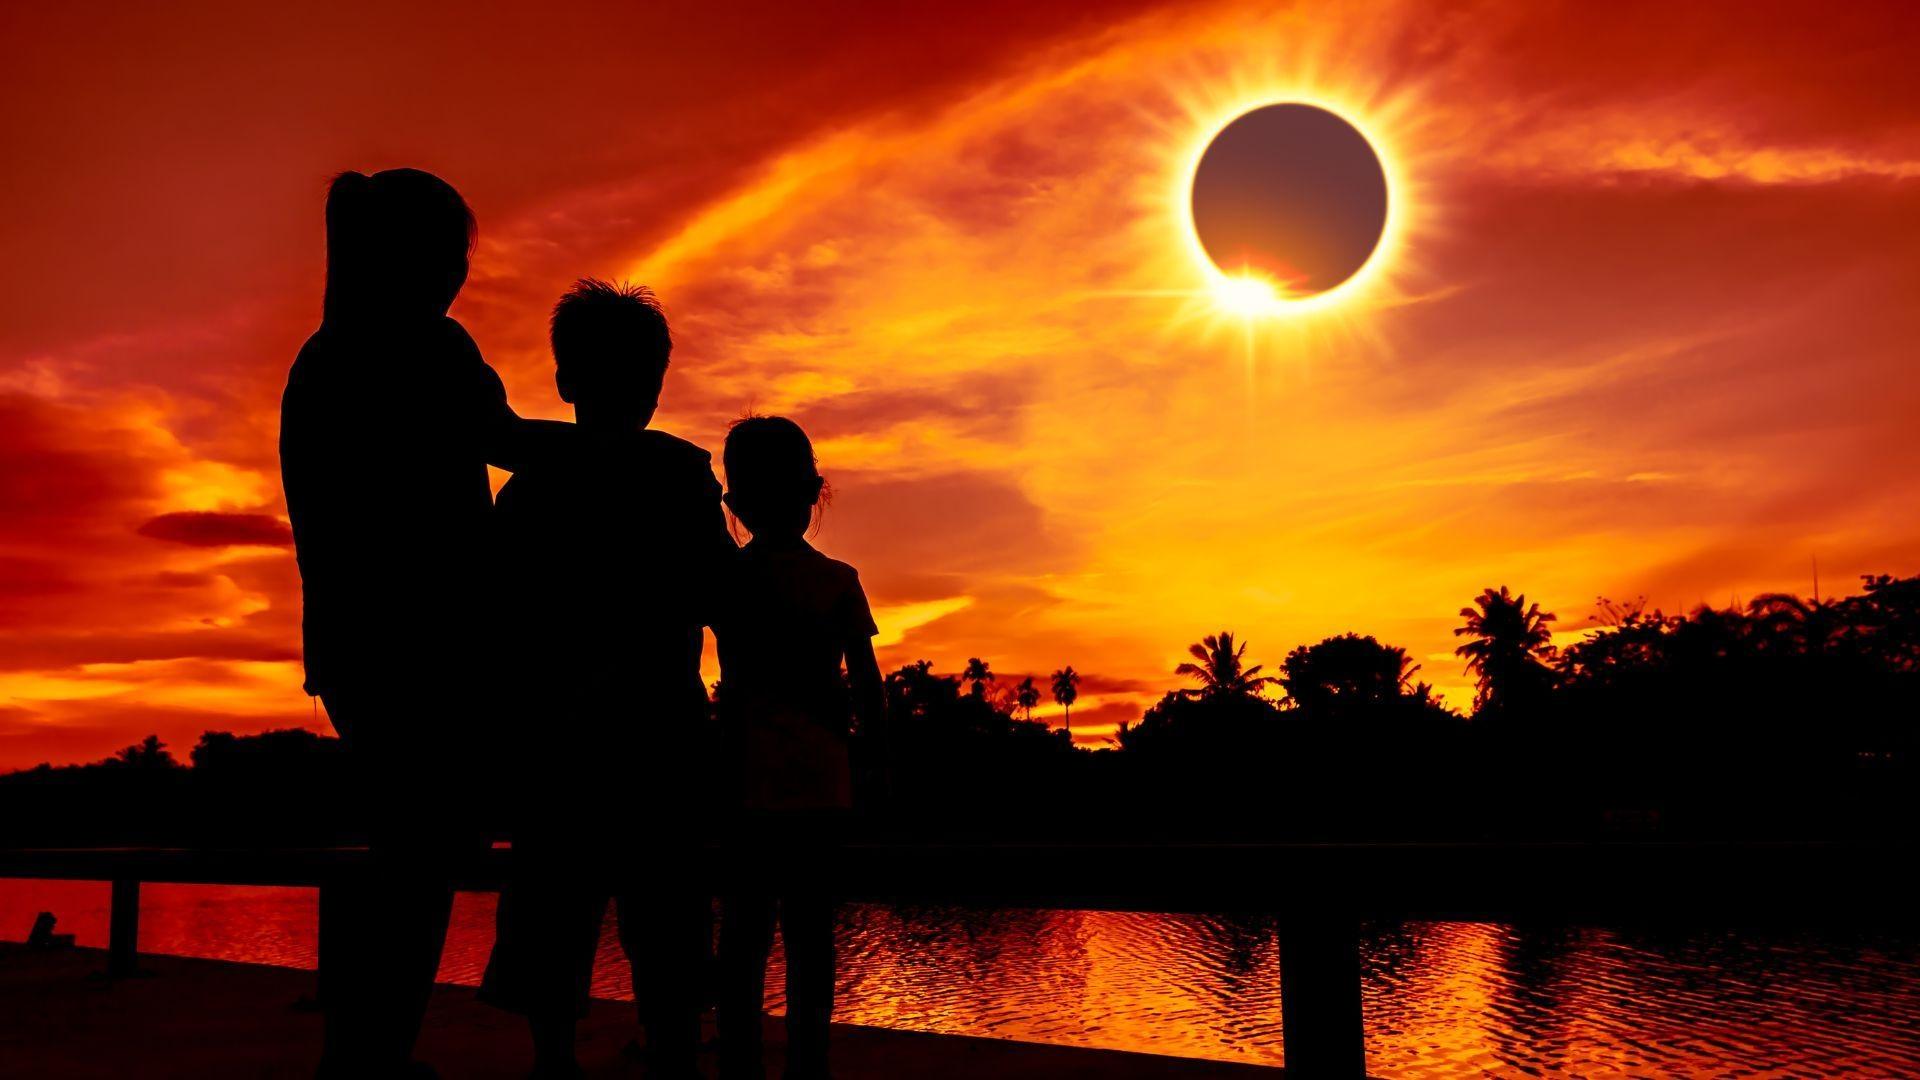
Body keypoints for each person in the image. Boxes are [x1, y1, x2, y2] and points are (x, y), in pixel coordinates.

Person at [279, 168, 577, 1078]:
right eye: (450, 255)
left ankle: (368, 1051)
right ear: (411, 257)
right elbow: (508, 440)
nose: (458, 275)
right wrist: (621, 452)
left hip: (354, 650)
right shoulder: (431, 349)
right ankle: (374, 1055)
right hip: (427, 651)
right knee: (423, 862)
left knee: (410, 855)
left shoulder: (321, 359)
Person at [477, 279, 732, 1079]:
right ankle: (672, 1055)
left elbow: (494, 612)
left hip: (555, 736)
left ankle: (556, 1065)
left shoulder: (528, 487)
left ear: (564, 383)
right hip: (659, 729)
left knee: (553, 913)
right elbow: (721, 590)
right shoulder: (682, 473)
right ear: (654, 388)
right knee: (669, 917)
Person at [712, 417, 884, 1080]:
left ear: (736, 504)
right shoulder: (838, 581)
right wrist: (875, 762)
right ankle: (808, 1060)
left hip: (744, 779)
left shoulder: (725, 581)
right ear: (813, 493)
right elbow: (868, 687)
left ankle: (740, 1060)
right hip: (820, 781)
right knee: (811, 936)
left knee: (744, 937)